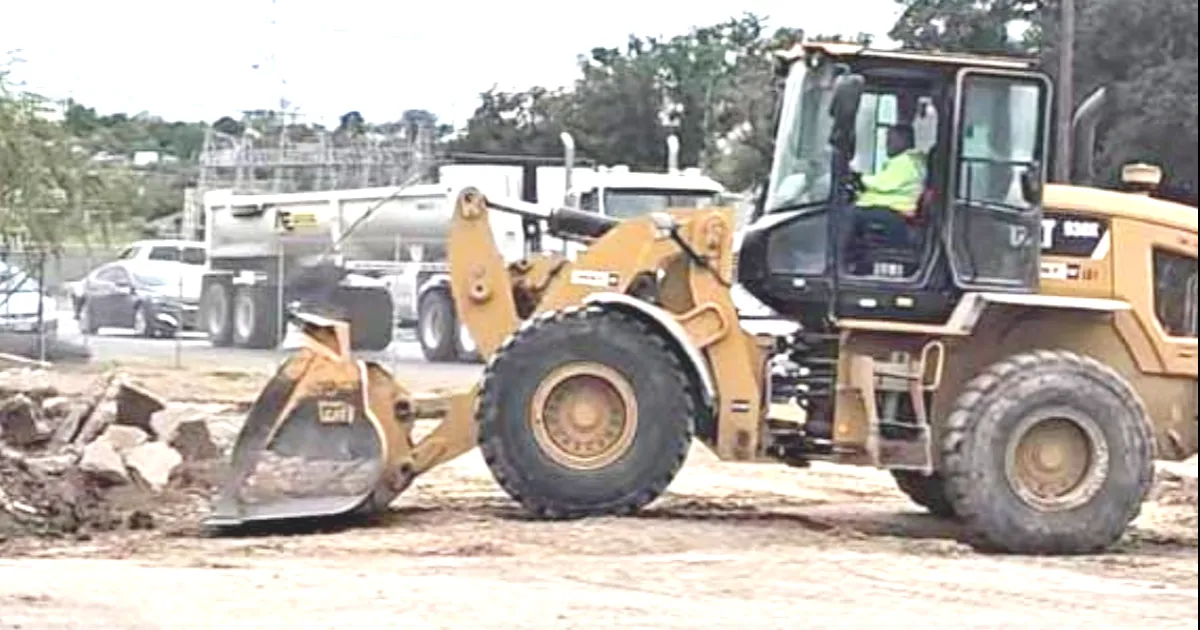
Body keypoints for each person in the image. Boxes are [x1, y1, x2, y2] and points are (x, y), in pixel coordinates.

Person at [841, 124, 927, 272]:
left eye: (890, 141)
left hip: (896, 213)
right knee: (852, 212)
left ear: (903, 141)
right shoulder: (905, 161)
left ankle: (840, 260)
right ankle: (855, 261)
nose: (887, 145)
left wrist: (859, 177)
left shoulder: (906, 162)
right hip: (891, 209)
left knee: (848, 216)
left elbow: (883, 184)